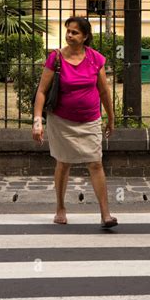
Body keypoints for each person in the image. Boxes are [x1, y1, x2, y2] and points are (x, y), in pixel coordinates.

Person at [32, 16, 117, 229]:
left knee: (96, 162)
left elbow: (104, 91)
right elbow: (42, 91)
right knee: (63, 162)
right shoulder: (56, 58)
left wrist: (111, 118)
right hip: (61, 121)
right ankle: (60, 208)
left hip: (90, 119)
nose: (69, 35)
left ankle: (105, 214)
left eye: (75, 32)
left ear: (85, 36)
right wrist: (37, 120)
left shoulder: (95, 59)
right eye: (68, 31)